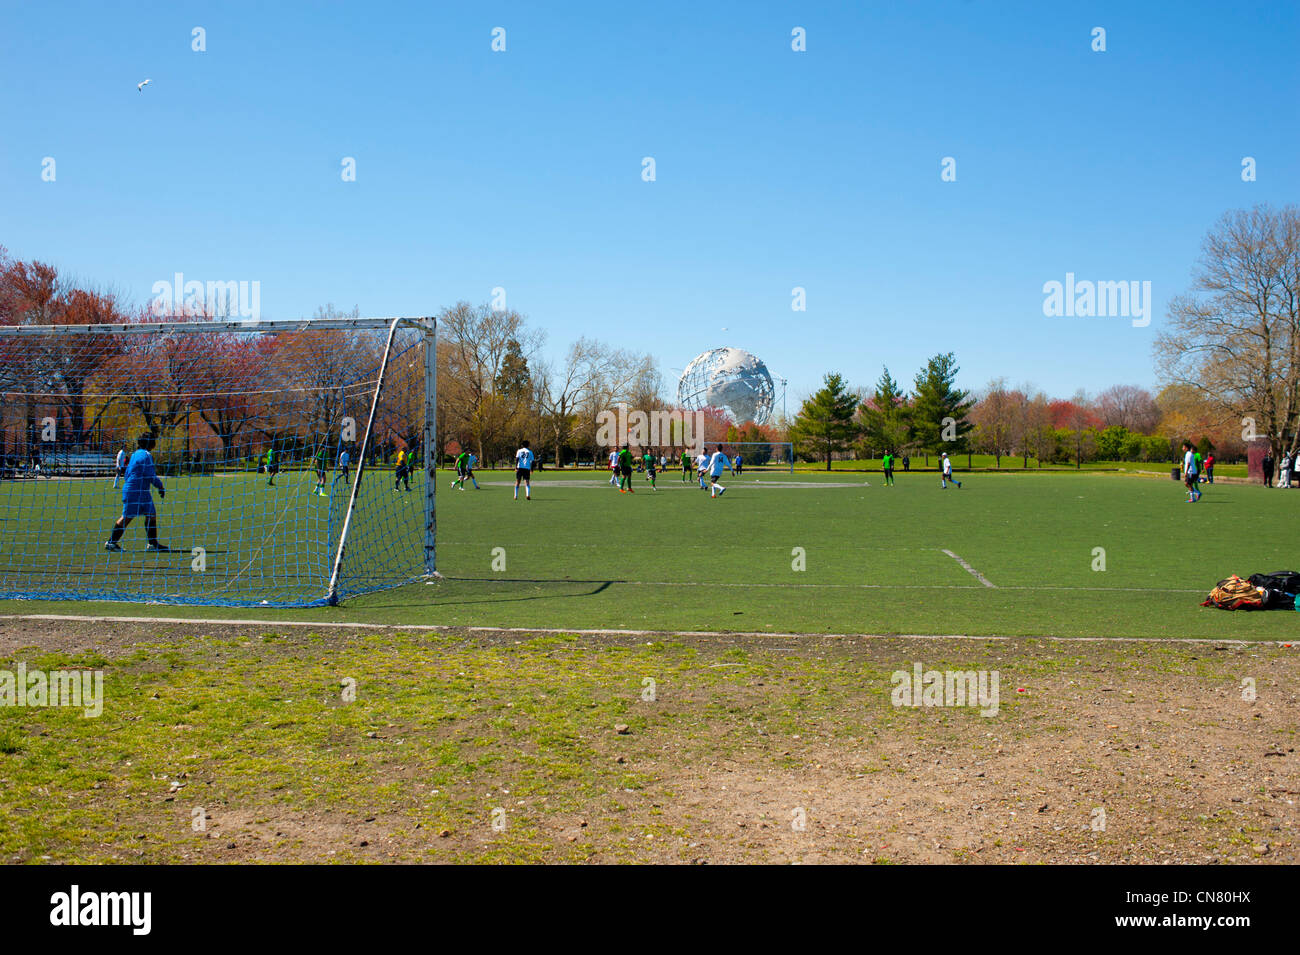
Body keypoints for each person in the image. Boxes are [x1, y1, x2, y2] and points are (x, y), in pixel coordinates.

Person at [104, 433, 171, 552]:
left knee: (151, 514)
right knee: (127, 517)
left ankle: (152, 544)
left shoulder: (135, 454)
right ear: (150, 443)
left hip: (138, 490)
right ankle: (111, 543)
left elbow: (128, 473)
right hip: (136, 491)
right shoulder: (146, 455)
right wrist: (160, 486)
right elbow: (151, 474)